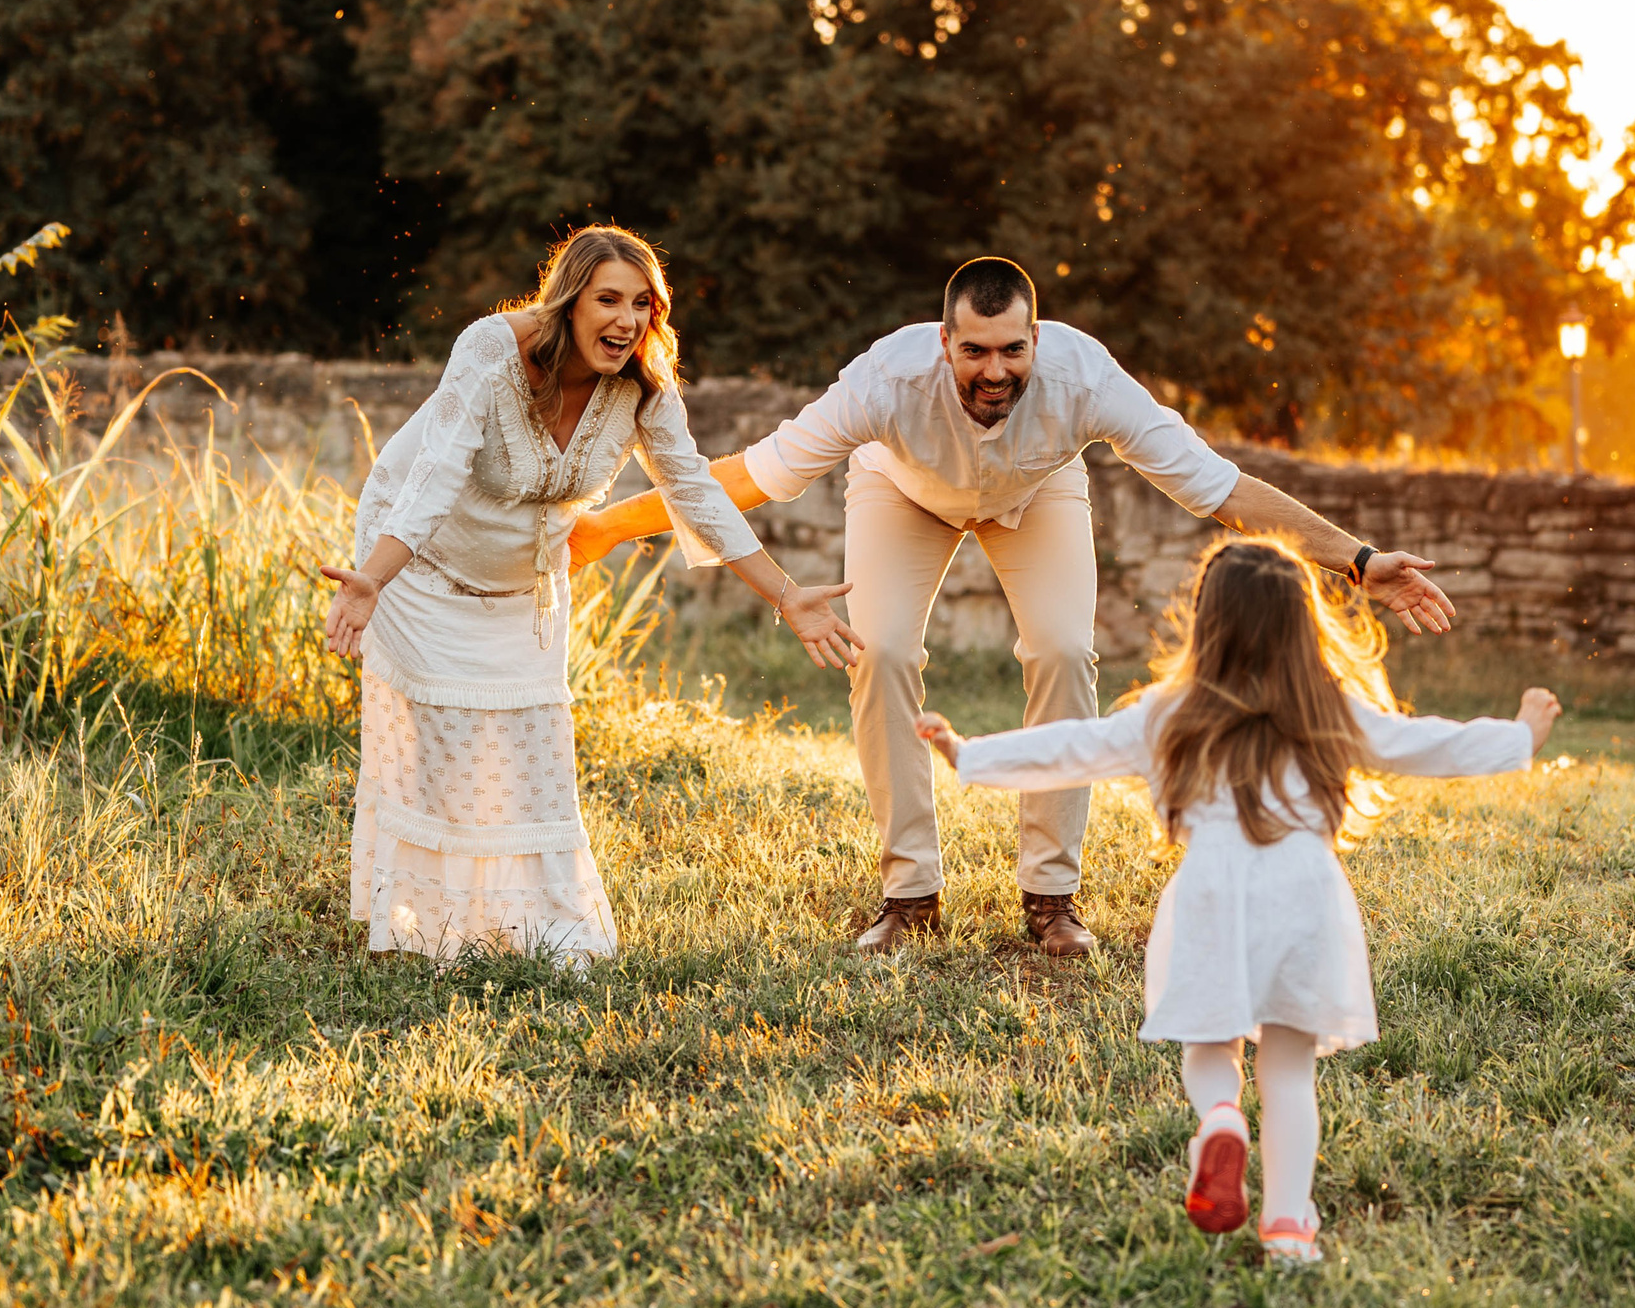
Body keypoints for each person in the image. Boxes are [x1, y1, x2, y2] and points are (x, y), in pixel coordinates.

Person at [571, 257, 1459, 957]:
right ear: (944, 343)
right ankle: (909, 896)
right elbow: (746, 478)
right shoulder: (882, 383)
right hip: (903, 491)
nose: (994, 371)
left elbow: (1221, 489)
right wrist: (610, 525)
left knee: (1065, 649)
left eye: (1011, 351)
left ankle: (1052, 896)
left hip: (1037, 494)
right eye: (974, 352)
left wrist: (1359, 560)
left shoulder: (1087, 378)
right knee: (880, 650)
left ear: (1036, 339)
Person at [913, 537, 1560, 1267]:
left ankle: (1221, 1119)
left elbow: (1073, 747)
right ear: (1302, 623)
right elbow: (1425, 745)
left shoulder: (1170, 713)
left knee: (1210, 1044)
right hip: (1304, 898)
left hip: (1211, 894)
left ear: (1208, 624)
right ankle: (1287, 1227)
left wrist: (971, 753)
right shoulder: (1327, 709)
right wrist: (1519, 736)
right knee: (1287, 1070)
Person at [320, 226, 861, 962]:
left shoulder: (642, 385)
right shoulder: (491, 351)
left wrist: (786, 593)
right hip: (415, 565)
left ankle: (543, 931)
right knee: (447, 746)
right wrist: (374, 579)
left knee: (533, 751)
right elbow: (436, 472)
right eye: (609, 299)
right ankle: (430, 930)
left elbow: (694, 492)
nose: (627, 320)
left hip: (525, 581)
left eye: (643, 304)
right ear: (569, 302)